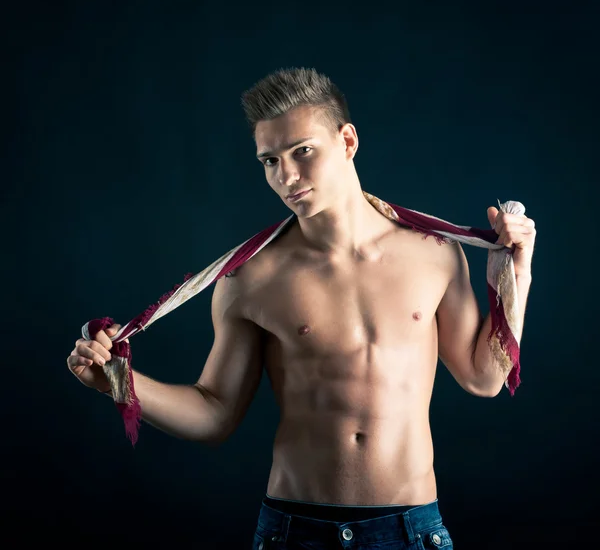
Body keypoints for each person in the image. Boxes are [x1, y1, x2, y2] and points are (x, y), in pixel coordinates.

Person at [67, 68, 535, 549]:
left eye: (302, 151)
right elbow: (214, 415)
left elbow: (484, 378)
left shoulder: (435, 253)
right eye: (269, 161)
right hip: (295, 530)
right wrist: (120, 384)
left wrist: (516, 275)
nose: (285, 176)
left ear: (347, 141)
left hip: (410, 529)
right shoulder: (250, 279)